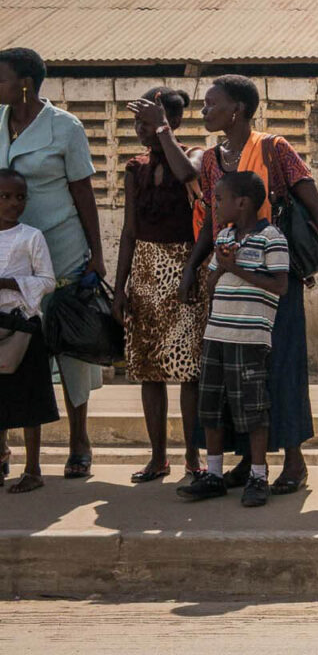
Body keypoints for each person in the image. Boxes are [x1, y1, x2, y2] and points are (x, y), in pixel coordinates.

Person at [171, 75, 318, 498]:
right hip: (230, 284)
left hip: (273, 280)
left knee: (281, 368)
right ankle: (250, 462)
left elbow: (317, 210)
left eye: (211, 104)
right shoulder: (212, 160)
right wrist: (192, 268)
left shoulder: (275, 149)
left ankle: (293, 461)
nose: (204, 111)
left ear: (237, 110)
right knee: (236, 374)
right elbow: (213, 226)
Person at [0, 46, 105, 481]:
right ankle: (3, 447)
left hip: (60, 249)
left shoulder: (65, 128)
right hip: (7, 253)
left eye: (1, 78)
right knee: (5, 345)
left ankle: (79, 439)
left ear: (25, 83)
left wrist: (96, 256)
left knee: (70, 344)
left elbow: (84, 193)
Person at [179, 171, 288, 508]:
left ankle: (258, 475)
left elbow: (280, 285)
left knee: (253, 408)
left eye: (220, 199)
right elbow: (212, 283)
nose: (215, 205)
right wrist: (222, 267)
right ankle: (213, 474)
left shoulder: (272, 237)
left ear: (241, 203)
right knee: (211, 406)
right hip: (217, 333)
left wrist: (236, 268)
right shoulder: (224, 236)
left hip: (249, 337)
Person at [114, 87, 203, 486]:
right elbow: (130, 232)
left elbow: (188, 176)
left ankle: (192, 457)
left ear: (174, 123)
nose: (142, 129)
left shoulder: (196, 155)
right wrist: (120, 288)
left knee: (188, 369)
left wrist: (164, 130)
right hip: (147, 272)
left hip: (186, 268)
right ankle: (158, 457)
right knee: (149, 370)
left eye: (150, 121)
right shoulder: (135, 168)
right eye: (139, 122)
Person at [0, 168, 58, 494]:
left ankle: (33, 468)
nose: (13, 203)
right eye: (5, 197)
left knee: (29, 400)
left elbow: (47, 281)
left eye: (20, 197)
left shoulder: (31, 236)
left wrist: (9, 283)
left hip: (23, 328)